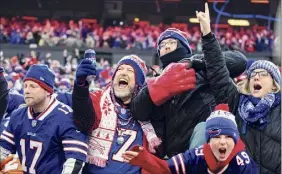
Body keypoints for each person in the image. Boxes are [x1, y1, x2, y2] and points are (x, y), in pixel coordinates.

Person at [129, 3, 248, 158]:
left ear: (184, 47)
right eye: (162, 45)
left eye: (171, 42)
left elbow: (239, 61)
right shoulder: (155, 79)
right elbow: (138, 112)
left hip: (201, 147)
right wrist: (156, 86)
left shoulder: (199, 65)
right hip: (169, 156)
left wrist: (200, 63)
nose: (165, 46)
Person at [72, 54, 173, 173]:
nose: (123, 73)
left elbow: (161, 149)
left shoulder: (149, 111)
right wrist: (81, 88)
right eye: (119, 69)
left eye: (130, 70)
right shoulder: (98, 99)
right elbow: (84, 121)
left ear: (139, 83)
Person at [0, 64, 88, 174]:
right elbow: (3, 149)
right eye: (25, 86)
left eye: (33, 86)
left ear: (47, 91)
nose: (26, 91)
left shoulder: (66, 117)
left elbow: (75, 161)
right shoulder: (18, 115)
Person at [122, 104, 259, 174]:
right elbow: (167, 168)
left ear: (235, 141)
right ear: (208, 141)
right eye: (216, 137)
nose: (222, 141)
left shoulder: (243, 161)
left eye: (228, 137)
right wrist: (145, 159)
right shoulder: (197, 155)